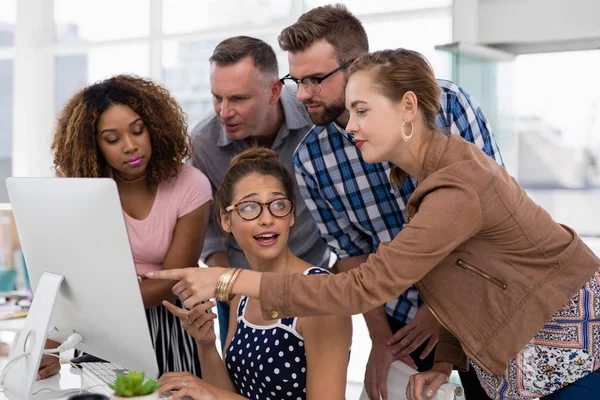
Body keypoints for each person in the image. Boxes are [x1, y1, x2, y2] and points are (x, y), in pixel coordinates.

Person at [148, 49, 600, 400]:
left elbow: (363, 286)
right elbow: (460, 280)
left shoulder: (457, 185)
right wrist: (444, 361)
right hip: (519, 361)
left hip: (569, 352)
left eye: (362, 111)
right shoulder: (427, 178)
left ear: (407, 108)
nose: (352, 127)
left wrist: (228, 278)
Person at [277, 4, 500, 399]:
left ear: (357, 65)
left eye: (314, 79)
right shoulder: (310, 160)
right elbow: (351, 256)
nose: (303, 94)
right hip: (403, 329)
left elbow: (488, 218)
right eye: (296, 80)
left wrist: (439, 314)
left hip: (483, 301)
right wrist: (381, 341)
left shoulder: (446, 105)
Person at [40, 75, 212, 379]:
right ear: (94, 144)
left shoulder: (191, 184)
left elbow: (175, 277)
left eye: (137, 130)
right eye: (112, 139)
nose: (130, 146)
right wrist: (51, 343)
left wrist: (98, 301)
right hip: (101, 325)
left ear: (155, 127)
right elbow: (69, 269)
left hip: (168, 317)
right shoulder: (84, 187)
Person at [158, 148, 351, 400]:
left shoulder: (319, 295)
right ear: (226, 221)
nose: (267, 218)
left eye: (278, 204)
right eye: (249, 207)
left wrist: (212, 394)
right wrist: (206, 345)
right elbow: (229, 394)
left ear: (291, 215)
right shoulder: (242, 295)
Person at [189, 36, 331, 349]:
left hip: (310, 283)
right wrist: (233, 288)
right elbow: (211, 231)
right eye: (217, 98)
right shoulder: (204, 144)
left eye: (238, 99)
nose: (224, 112)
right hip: (239, 289)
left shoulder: (317, 121)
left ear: (274, 91)